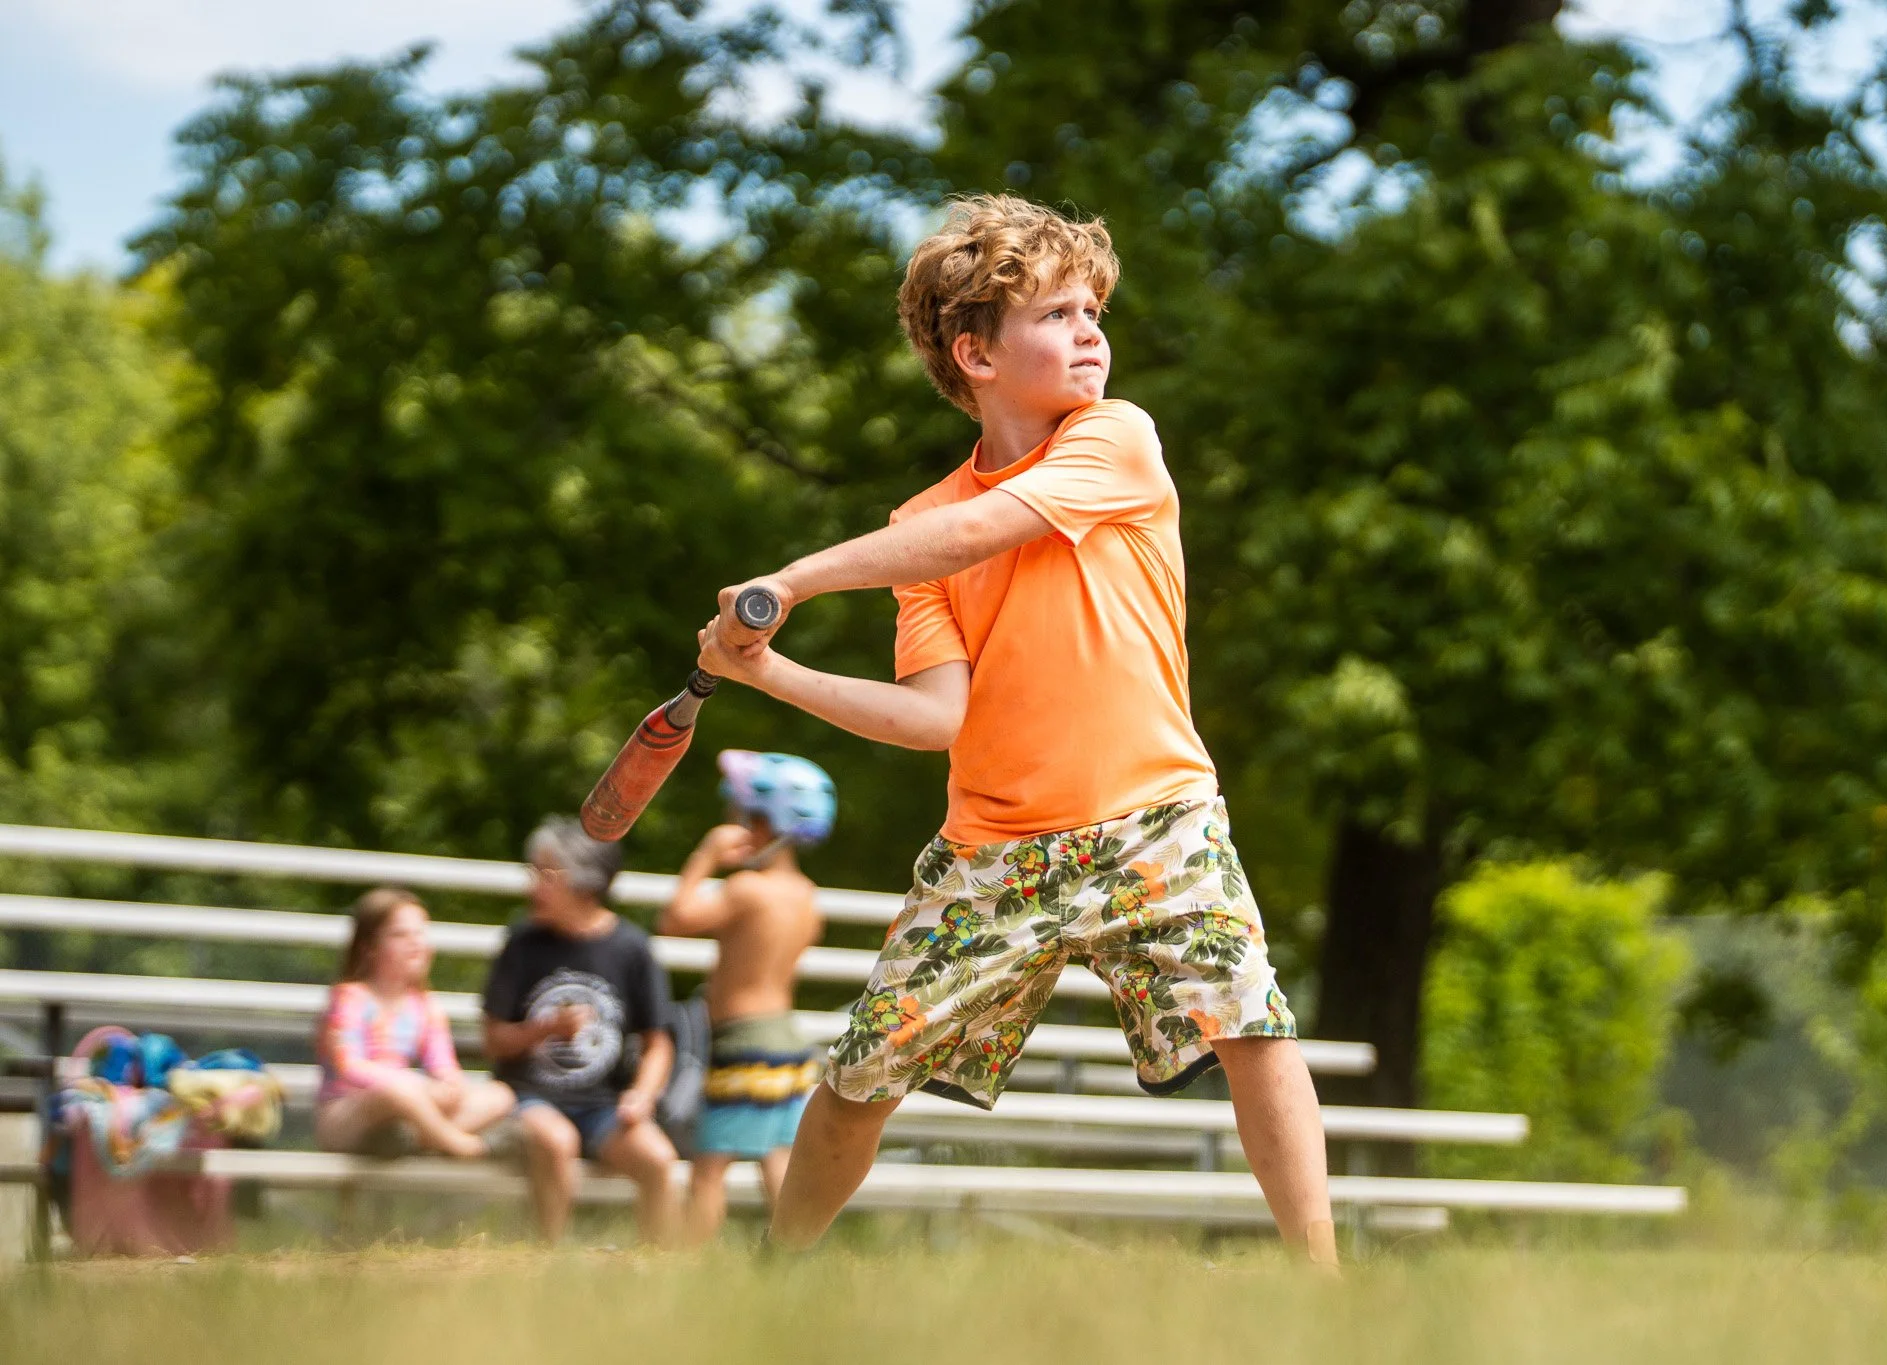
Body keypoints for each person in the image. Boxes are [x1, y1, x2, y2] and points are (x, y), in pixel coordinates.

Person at [695, 194, 1338, 1266]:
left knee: (1251, 1027)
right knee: (858, 1081)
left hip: (1155, 821)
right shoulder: (913, 527)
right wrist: (771, 671)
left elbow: (980, 529)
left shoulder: (1115, 438)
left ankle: (1325, 1292)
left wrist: (793, 580)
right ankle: (773, 1278)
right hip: (993, 850)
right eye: (1057, 314)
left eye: (1094, 309)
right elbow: (934, 716)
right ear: (974, 354)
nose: (1090, 331)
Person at [658, 750, 833, 1247]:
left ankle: (688, 1262)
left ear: (765, 824)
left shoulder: (747, 890)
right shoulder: (805, 894)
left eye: (743, 818)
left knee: (710, 1165)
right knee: (777, 1153)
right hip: (785, 1036)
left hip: (742, 1040)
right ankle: (794, 1254)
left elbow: (675, 920)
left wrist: (706, 858)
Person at [482, 817, 679, 1245]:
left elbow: (658, 1043)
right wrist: (545, 1029)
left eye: (545, 874)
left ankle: (661, 1271)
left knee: (659, 1161)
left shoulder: (630, 948)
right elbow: (493, 1039)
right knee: (557, 1140)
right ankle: (550, 1262)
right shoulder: (522, 944)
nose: (532, 885)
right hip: (528, 1097)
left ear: (585, 882)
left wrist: (642, 1095)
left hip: (603, 1105)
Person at [315, 887, 514, 1158]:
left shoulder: (425, 1006)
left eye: (420, 933)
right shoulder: (348, 999)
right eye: (400, 935)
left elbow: (444, 1066)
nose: (414, 943)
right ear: (369, 947)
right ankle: (462, 1145)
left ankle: (413, 1140)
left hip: (406, 1106)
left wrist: (449, 1085)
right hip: (349, 1113)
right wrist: (413, 1084)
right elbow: (349, 1066)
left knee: (500, 1095)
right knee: (398, 1092)